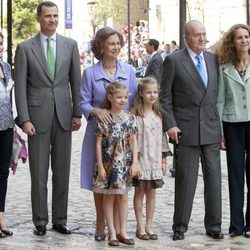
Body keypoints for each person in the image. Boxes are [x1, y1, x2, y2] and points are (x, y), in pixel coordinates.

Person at [14, 1, 81, 236]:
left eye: (55, 16)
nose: (52, 20)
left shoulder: (70, 45)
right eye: (48, 16)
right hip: (37, 118)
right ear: (38, 19)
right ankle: (40, 221)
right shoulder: (25, 48)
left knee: (62, 172)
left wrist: (77, 113)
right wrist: (24, 119)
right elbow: (20, 87)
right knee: (39, 173)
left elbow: (76, 81)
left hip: (64, 116)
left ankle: (60, 220)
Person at [159, 20, 223, 241]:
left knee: (214, 179)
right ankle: (180, 226)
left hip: (211, 128)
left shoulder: (214, 60)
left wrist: (221, 129)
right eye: (197, 35)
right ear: (187, 37)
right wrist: (170, 124)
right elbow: (164, 97)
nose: (202, 38)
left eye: (204, 34)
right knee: (186, 181)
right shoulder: (174, 61)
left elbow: (218, 97)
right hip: (184, 130)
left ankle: (214, 225)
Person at [80, 26, 137, 241]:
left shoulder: (129, 71)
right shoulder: (90, 73)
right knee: (100, 180)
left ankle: (119, 228)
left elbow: (132, 104)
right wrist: (95, 110)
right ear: (101, 47)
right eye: (111, 43)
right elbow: (83, 102)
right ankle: (100, 224)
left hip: (122, 137)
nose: (115, 47)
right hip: (99, 134)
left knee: (119, 181)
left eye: (118, 44)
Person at [93, 82, 139, 246]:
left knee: (124, 196)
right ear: (110, 97)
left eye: (125, 97)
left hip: (124, 163)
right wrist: (99, 165)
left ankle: (122, 231)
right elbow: (98, 143)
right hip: (108, 163)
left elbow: (134, 142)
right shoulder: (104, 118)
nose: (123, 100)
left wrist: (135, 163)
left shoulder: (130, 118)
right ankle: (111, 231)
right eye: (119, 97)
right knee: (109, 196)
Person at [216, 24, 250, 238]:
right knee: (235, 176)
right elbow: (219, 100)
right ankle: (236, 225)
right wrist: (220, 132)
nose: (244, 41)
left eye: (247, 36)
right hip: (232, 124)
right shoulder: (224, 67)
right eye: (239, 37)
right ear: (232, 41)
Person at [131, 77, 171, 241]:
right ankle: (139, 226)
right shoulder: (136, 116)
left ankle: (149, 225)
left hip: (154, 160)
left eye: (155, 92)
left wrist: (163, 159)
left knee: (152, 193)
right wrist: (134, 162)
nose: (152, 95)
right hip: (141, 161)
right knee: (139, 192)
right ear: (141, 93)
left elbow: (162, 139)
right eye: (148, 92)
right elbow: (133, 140)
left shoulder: (158, 114)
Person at [0, 32, 15, 238]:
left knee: (2, 174)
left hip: (6, 126)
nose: (0, 46)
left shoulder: (5, 67)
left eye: (1, 43)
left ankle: (0, 219)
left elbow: (8, 98)